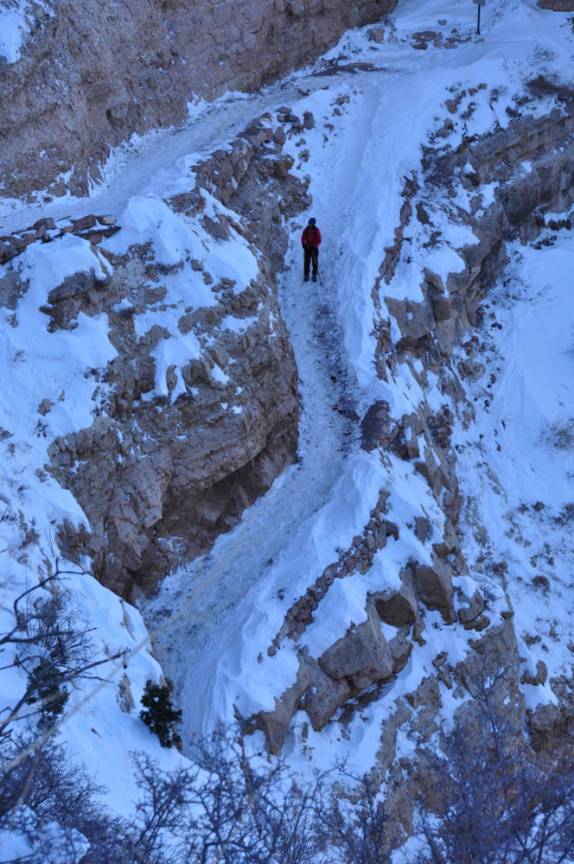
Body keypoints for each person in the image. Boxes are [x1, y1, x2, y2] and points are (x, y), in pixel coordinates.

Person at [301, 217, 321, 282]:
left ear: (313, 224)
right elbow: (303, 238)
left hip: (314, 248)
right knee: (306, 262)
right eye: (309, 223)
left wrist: (315, 246)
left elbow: (319, 240)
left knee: (315, 262)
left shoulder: (316, 230)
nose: (309, 224)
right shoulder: (306, 230)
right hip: (307, 248)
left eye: (310, 223)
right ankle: (306, 275)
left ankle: (314, 275)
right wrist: (304, 244)